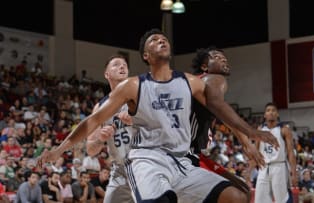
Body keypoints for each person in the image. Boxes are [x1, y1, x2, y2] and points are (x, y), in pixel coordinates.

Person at [39, 28, 278, 202]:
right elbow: (91, 122)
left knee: (236, 196)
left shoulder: (189, 81)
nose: (161, 40)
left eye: (164, 38)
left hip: (182, 161)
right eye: (154, 40)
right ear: (145, 56)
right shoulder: (132, 86)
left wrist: (249, 133)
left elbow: (218, 106)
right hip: (146, 161)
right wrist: (59, 150)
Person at [188, 46, 252, 197]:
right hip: (186, 155)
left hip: (195, 154)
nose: (223, 59)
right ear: (204, 66)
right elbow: (222, 112)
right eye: (216, 57)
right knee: (239, 192)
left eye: (224, 58)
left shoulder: (201, 84)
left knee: (242, 189)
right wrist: (245, 141)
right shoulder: (213, 79)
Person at [85, 54, 134, 203]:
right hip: (120, 170)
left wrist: (136, 122)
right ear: (107, 74)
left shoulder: (140, 95)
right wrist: (100, 139)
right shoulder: (100, 108)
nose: (122, 66)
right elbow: (90, 150)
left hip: (145, 165)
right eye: (116, 64)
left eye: (124, 65)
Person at [253, 102, 297, 203]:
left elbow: (291, 153)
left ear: (277, 114)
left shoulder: (284, 130)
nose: (271, 112)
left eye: (273, 110)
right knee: (260, 200)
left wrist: (294, 173)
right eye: (268, 111)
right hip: (263, 167)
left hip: (279, 167)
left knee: (282, 200)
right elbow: (256, 151)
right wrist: (249, 170)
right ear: (265, 115)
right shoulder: (260, 129)